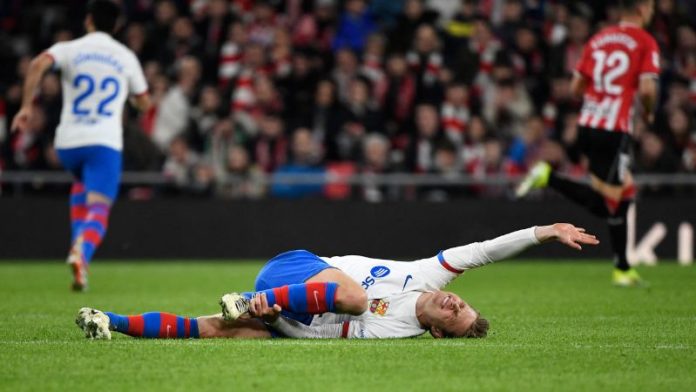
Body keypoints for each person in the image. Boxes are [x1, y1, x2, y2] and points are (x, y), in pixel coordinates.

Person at [75, 223, 598, 340]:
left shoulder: (397, 333)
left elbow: (324, 333)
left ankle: (108, 321)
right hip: (294, 268)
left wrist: (276, 320)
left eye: (453, 314)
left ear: (439, 331)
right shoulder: (431, 274)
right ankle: (251, 301)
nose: (454, 302)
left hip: (292, 309)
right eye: (461, 303)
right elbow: (485, 251)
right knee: (352, 295)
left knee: (210, 331)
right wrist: (543, 232)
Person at [516, 0, 659, 287]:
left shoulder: (599, 39)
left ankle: (622, 267)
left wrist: (600, 96)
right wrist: (648, 110)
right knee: (608, 205)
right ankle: (549, 177)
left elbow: (575, 87)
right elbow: (646, 88)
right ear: (643, 8)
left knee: (625, 193)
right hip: (613, 131)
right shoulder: (644, 41)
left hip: (588, 125)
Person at [10, 0, 151, 291]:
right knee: (100, 206)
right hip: (103, 143)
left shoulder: (69, 48)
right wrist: (134, 100)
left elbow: (38, 64)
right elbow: (144, 102)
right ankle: (82, 251)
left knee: (81, 186)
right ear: (117, 26)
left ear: (88, 21)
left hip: (68, 143)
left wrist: (25, 106)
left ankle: (80, 268)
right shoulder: (124, 57)